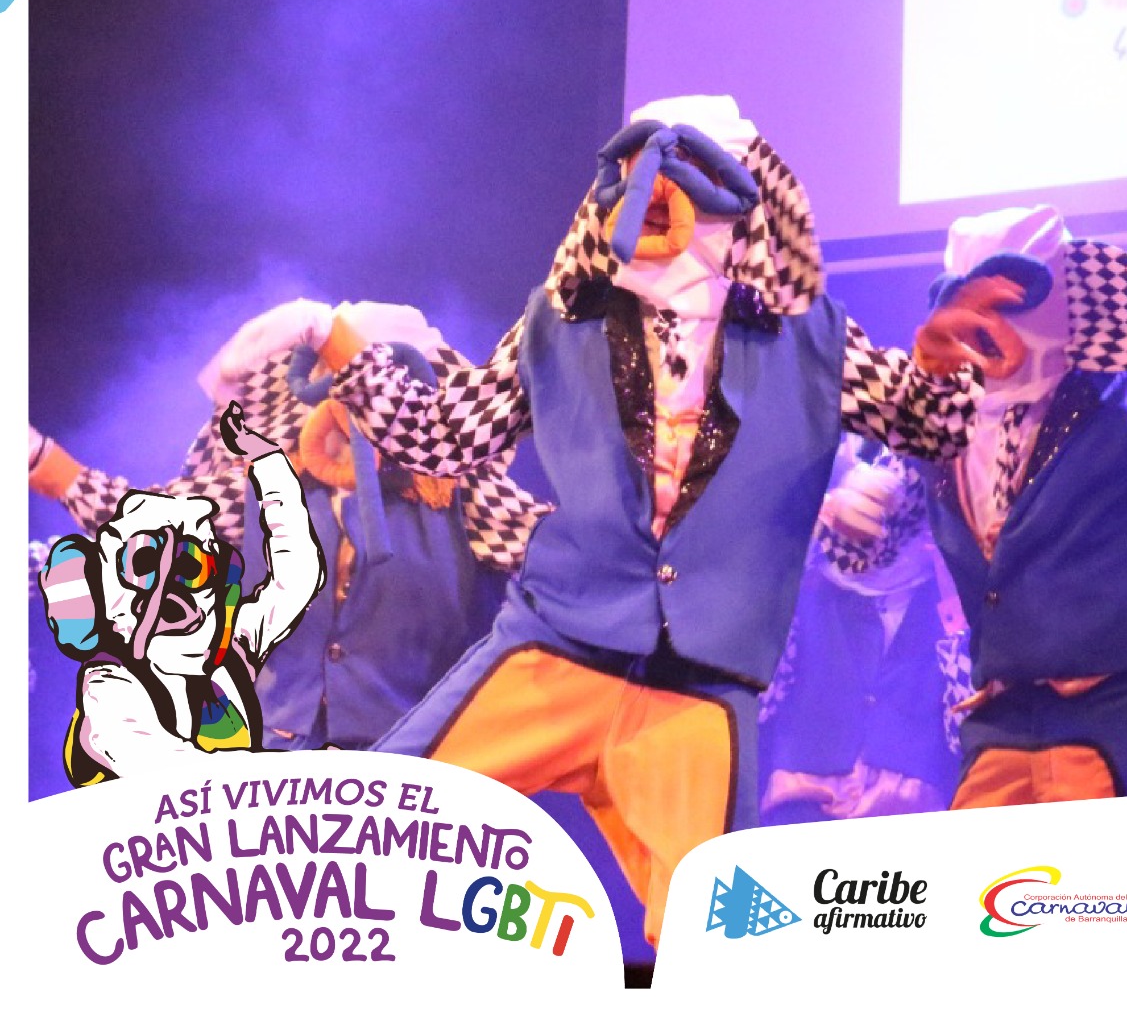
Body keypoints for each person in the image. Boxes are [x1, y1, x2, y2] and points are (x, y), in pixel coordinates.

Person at [294, 94, 1007, 945]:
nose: (649, 204)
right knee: (373, 831)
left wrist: (939, 368)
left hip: (696, 691)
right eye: (635, 183)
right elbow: (450, 437)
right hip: (555, 652)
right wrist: (338, 343)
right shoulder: (563, 323)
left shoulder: (808, 339)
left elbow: (928, 427)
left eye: (676, 183)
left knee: (715, 940)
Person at [838, 205, 1127, 806]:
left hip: (1118, 712)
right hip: (1000, 717)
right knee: (980, 868)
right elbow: (866, 556)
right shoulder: (944, 421)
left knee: (1109, 869)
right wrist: (858, 514)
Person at [29, 301, 548, 753]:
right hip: (277, 769)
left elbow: (562, 556)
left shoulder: (464, 497)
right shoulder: (268, 489)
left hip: (413, 769)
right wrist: (43, 463)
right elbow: (143, 521)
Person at [34, 403, 324, 782]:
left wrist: (270, 467)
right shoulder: (111, 688)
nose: (169, 588)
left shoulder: (228, 656)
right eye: (145, 564)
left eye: (190, 565)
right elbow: (184, 779)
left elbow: (298, 578)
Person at [758, 442, 965, 824]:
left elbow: (964, 729)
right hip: (796, 815)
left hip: (910, 827)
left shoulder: (949, 603)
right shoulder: (804, 588)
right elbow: (760, 697)